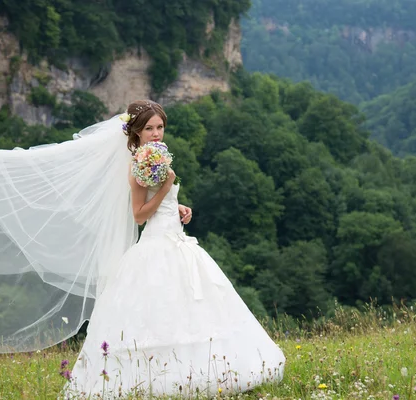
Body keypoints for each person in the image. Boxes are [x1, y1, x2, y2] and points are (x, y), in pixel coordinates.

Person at [63, 100, 285, 397]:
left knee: (198, 308)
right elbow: (139, 215)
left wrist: (175, 205)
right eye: (149, 128)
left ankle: (206, 370)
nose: (156, 133)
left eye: (160, 127)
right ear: (136, 133)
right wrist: (166, 190)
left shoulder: (155, 156)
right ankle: (159, 379)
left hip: (177, 241)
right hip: (156, 246)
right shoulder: (138, 163)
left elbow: (159, 202)